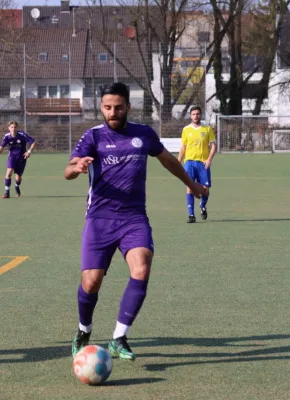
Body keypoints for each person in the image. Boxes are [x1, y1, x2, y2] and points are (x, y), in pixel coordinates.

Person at [65, 82, 206, 360]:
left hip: (133, 218)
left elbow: (168, 161)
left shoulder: (144, 134)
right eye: (107, 107)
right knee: (91, 283)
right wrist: (78, 167)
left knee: (141, 268)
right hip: (99, 219)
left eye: (118, 107)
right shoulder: (92, 136)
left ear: (128, 106)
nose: (112, 112)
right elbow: (69, 169)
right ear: (101, 107)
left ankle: (119, 336)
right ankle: (84, 330)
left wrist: (191, 184)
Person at [177, 106, 216, 223]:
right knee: (189, 186)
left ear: (201, 115)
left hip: (203, 163)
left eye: (198, 114)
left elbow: (213, 146)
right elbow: (183, 147)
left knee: (205, 189)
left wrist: (209, 160)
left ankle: (203, 206)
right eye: (193, 114)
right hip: (189, 162)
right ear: (190, 116)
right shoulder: (186, 130)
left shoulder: (207, 129)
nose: (196, 116)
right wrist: (178, 162)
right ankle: (191, 215)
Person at [0, 121, 36, 198]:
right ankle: (7, 193)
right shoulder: (7, 136)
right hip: (12, 157)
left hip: (22, 158)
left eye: (15, 127)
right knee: (8, 173)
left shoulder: (22, 135)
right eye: (12, 127)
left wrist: (29, 151)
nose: (13, 129)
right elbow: (1, 147)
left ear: (17, 128)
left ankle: (16, 186)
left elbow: (33, 142)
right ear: (9, 128)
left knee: (18, 177)